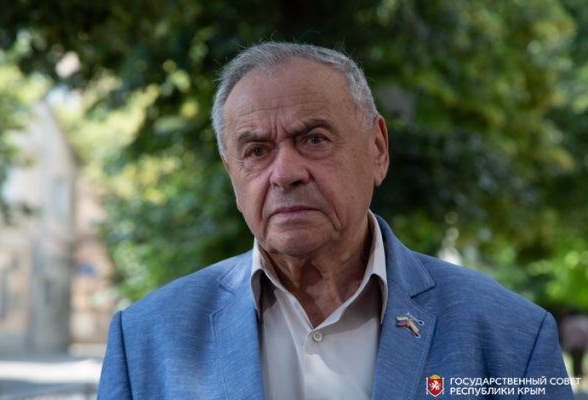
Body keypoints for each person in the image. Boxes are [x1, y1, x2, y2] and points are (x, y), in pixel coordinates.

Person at [97, 42, 573, 399]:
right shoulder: (145, 341)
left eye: (314, 140)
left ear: (377, 149)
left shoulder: (510, 336)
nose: (285, 173)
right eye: (256, 151)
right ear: (231, 174)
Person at [560, 310, 588, 378]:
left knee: (573, 361)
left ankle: (576, 374)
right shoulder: (583, 321)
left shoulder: (567, 321)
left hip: (570, 345)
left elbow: (563, 333)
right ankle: (579, 374)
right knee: (580, 361)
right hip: (580, 345)